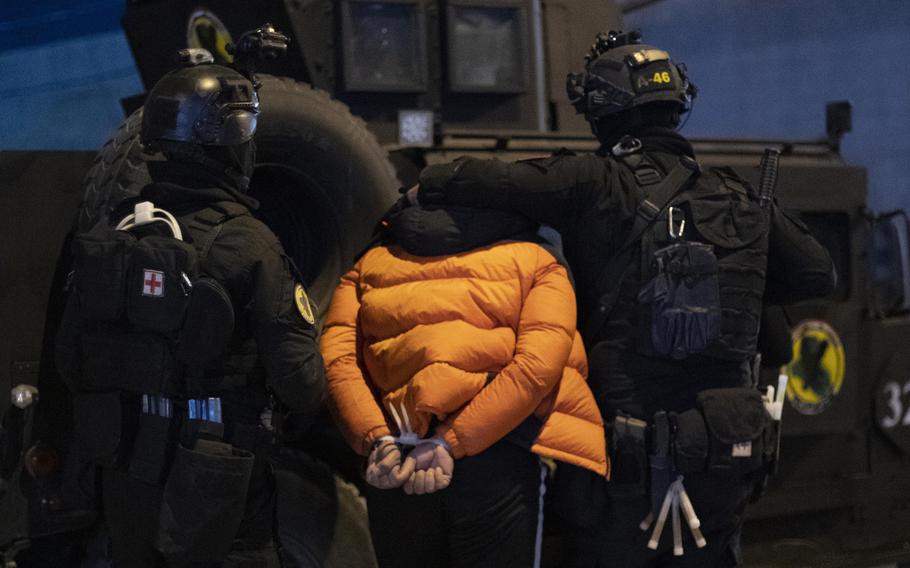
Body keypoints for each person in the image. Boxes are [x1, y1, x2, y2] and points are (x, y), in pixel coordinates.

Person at [408, 30, 836, 568]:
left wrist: (428, 183)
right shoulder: (739, 196)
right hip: (722, 456)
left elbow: (502, 180)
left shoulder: (596, 182)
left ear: (601, 108)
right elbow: (819, 275)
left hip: (622, 460)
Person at [55, 50, 325, 567]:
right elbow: (303, 385)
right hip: (214, 478)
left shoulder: (111, 232)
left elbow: (72, 359)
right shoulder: (249, 244)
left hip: (125, 465)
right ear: (228, 146)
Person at [320, 200, 608, 568]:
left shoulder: (369, 263)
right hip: (497, 450)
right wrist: (449, 442)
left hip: (397, 453)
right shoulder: (535, 258)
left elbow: (337, 361)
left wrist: (375, 437)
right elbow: (537, 367)